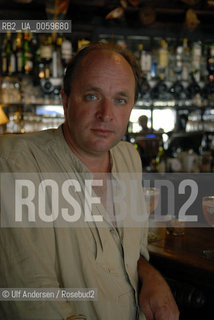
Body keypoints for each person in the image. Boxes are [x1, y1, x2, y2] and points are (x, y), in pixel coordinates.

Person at [0, 42, 179, 320]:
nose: (106, 114)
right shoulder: (16, 163)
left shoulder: (129, 157)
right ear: (66, 100)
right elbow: (31, 295)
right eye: (92, 96)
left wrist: (150, 275)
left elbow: (130, 250)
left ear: (131, 106)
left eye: (120, 100)